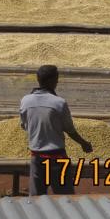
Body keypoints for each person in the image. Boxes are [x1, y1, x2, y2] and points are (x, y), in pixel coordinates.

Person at [19, 65, 92, 196]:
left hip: (37, 157)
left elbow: (24, 126)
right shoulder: (59, 103)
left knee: (37, 199)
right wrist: (83, 143)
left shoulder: (25, 101)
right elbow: (69, 130)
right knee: (65, 197)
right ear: (51, 81)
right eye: (56, 79)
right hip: (57, 158)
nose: (57, 82)